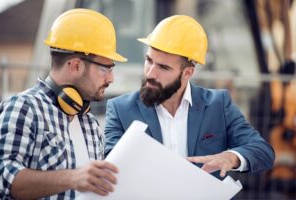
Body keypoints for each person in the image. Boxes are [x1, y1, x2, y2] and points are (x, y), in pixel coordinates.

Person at [104, 15, 275, 179]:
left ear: (187, 73)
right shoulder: (120, 109)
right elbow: (111, 168)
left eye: (163, 67)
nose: (150, 73)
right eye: (149, 60)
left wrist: (231, 157)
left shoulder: (218, 104)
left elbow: (263, 151)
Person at [0, 9, 127, 199]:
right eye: (105, 68)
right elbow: (2, 177)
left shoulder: (91, 125)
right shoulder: (23, 108)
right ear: (75, 66)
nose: (111, 78)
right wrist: (73, 178)